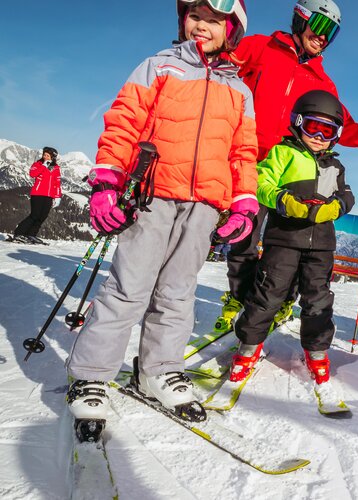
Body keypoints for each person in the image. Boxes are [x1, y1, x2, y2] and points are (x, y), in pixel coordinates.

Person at [64, 0, 258, 433]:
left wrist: (244, 202)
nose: (201, 26)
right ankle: (91, 376)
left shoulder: (241, 92)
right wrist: (107, 182)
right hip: (152, 194)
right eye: (194, 16)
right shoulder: (159, 67)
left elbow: (244, 152)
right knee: (128, 290)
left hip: (204, 205)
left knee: (177, 293)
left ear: (233, 29)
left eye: (213, 20)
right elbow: (124, 123)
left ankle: (159, 371)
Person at [214, 0, 358, 335]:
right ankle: (241, 298)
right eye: (320, 25)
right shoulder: (260, 47)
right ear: (300, 19)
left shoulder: (322, 84)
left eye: (332, 31)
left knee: (284, 248)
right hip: (249, 163)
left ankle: (282, 298)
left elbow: (344, 127)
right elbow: (219, 71)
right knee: (242, 238)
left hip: (295, 175)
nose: (324, 37)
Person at [228, 90, 354, 402]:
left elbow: (347, 194)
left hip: (321, 245)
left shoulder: (335, 166)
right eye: (314, 127)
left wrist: (336, 207)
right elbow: (261, 182)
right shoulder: (283, 153)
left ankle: (317, 350)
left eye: (329, 131)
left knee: (318, 299)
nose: (321, 137)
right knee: (268, 293)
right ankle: (249, 345)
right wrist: (285, 201)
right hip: (283, 239)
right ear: (298, 123)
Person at [10, 147, 62, 244]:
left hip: (49, 196)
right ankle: (19, 233)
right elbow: (32, 174)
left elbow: (57, 183)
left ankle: (31, 235)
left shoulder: (56, 168)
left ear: (53, 157)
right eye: (44, 155)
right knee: (34, 215)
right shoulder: (38, 164)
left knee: (42, 216)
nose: (45, 157)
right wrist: (43, 166)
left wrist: (57, 196)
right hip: (37, 194)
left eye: (48, 155)